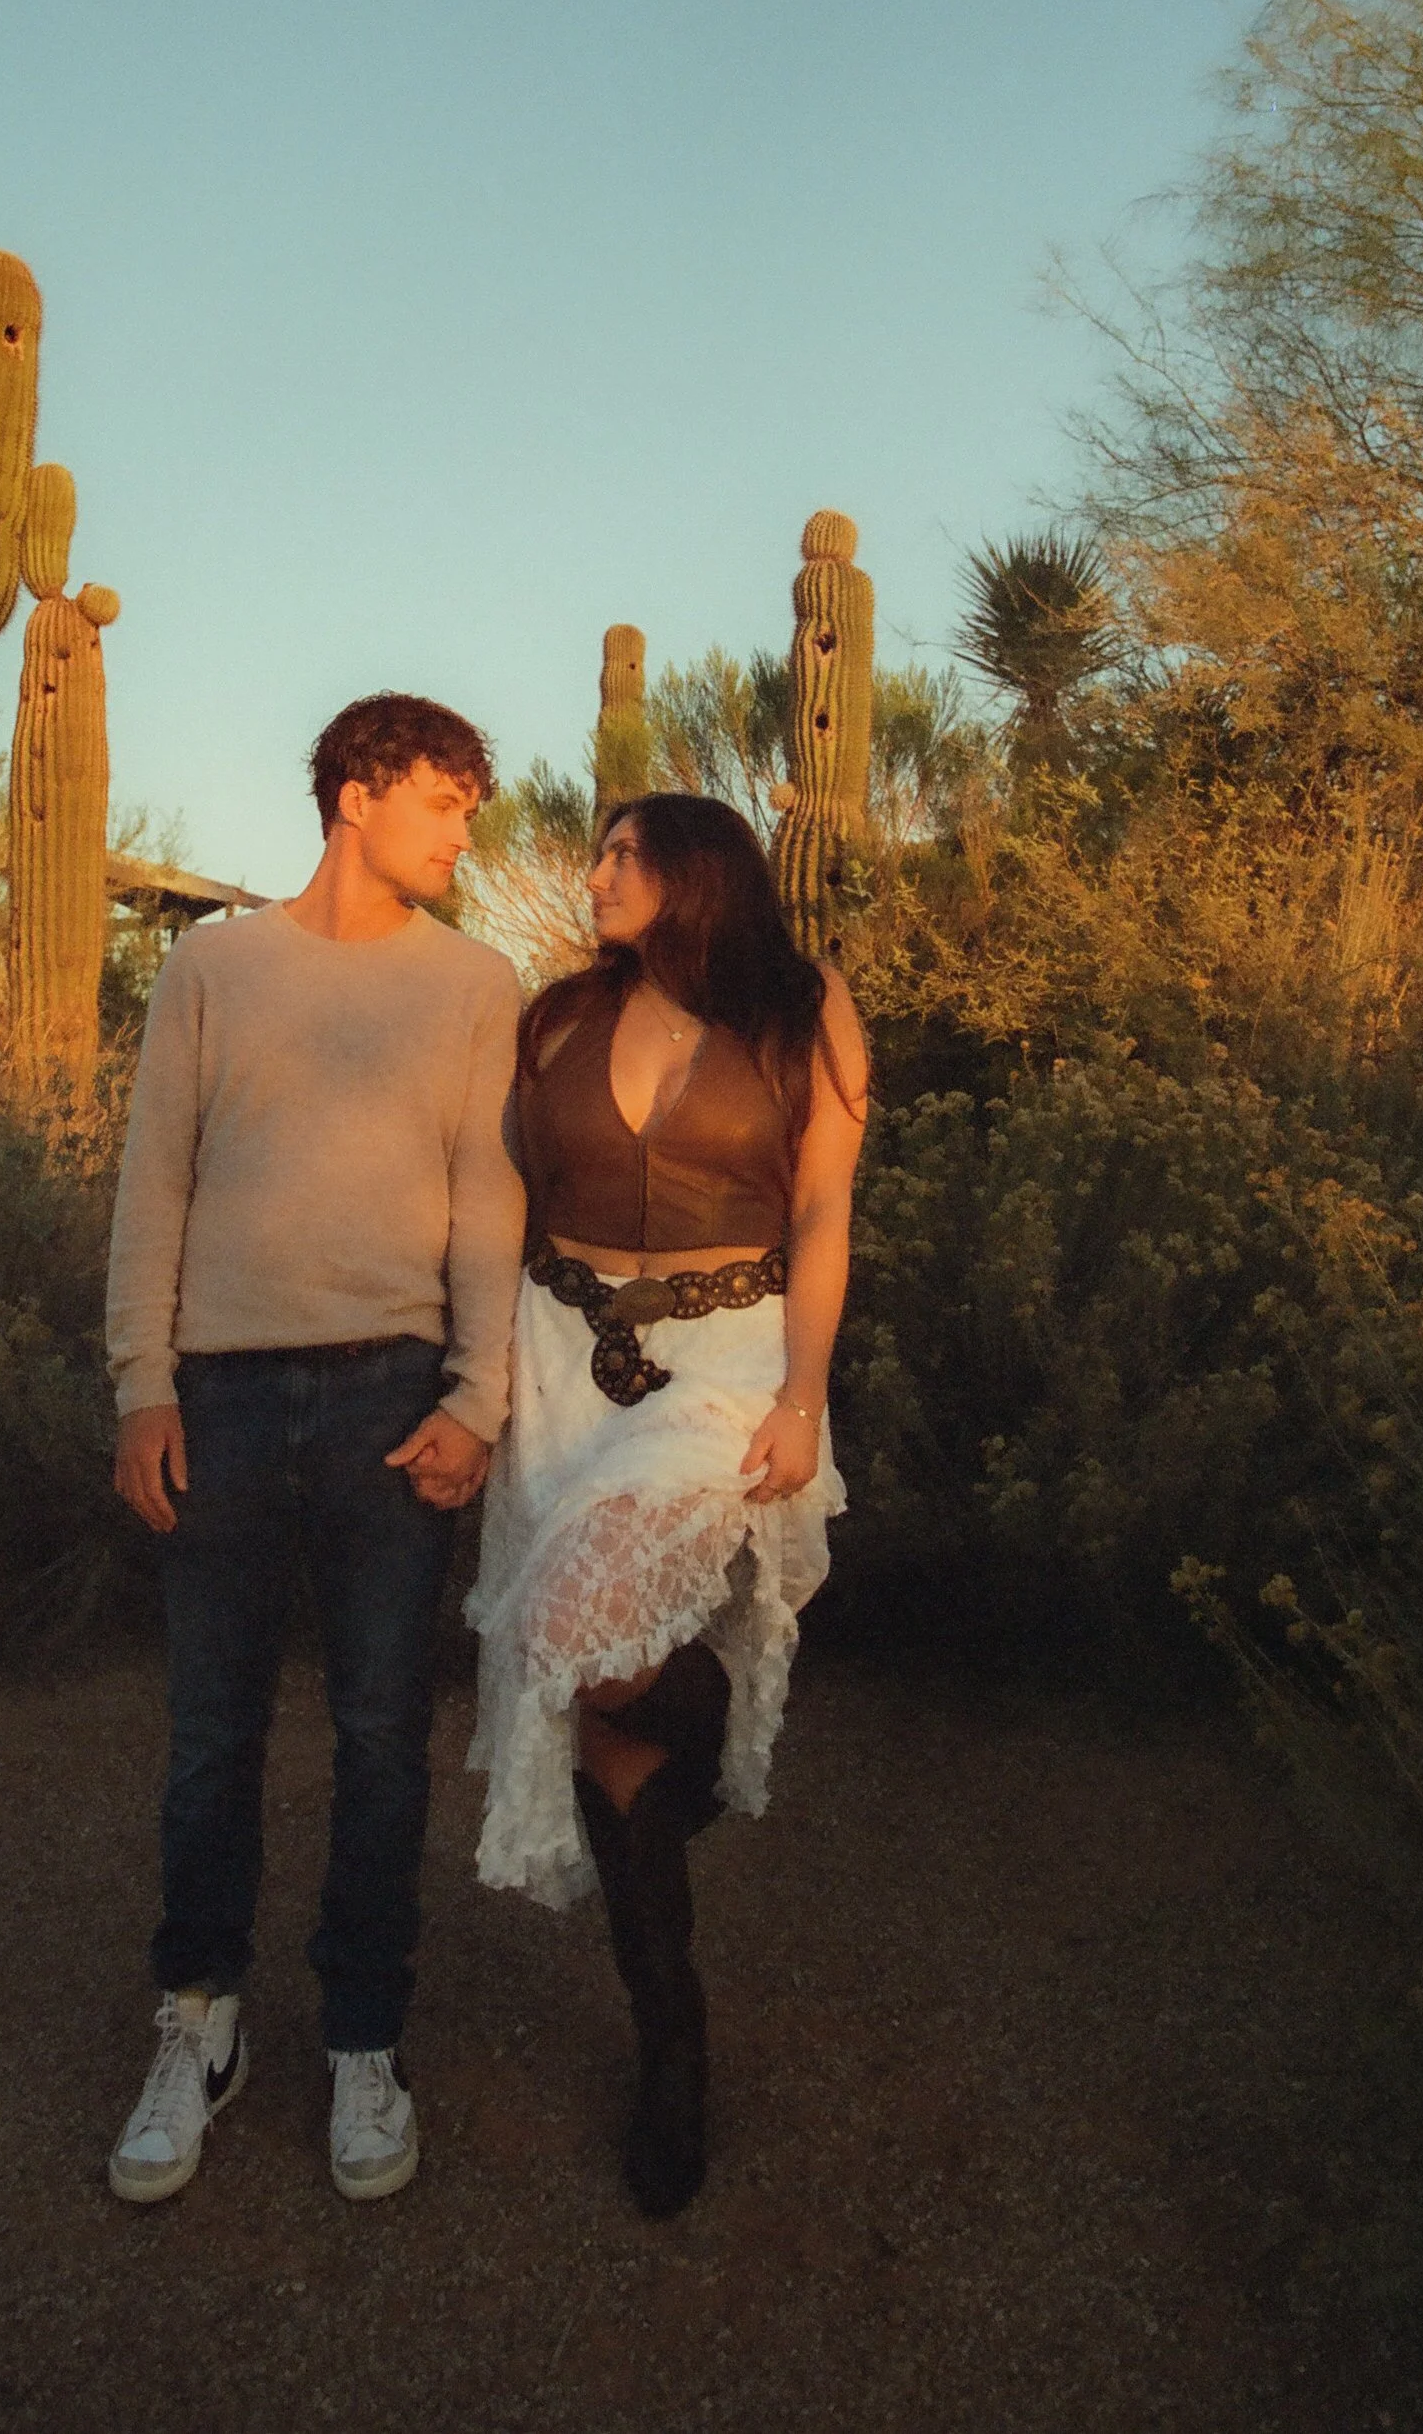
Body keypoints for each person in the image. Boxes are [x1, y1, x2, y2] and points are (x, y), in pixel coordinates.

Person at [105, 693, 525, 2208]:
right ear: (356, 795)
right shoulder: (212, 966)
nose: (459, 831)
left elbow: (490, 1204)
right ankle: (198, 2022)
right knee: (210, 1733)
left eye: (469, 808)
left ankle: (362, 2034)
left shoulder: (479, 985)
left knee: (377, 1735)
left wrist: (479, 1399)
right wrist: (140, 1385)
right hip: (216, 1393)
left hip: (389, 1396)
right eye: (441, 803)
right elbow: (153, 1183)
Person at [466, 791, 866, 2218]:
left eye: (621, 853)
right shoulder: (555, 1019)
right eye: (595, 851)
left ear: (695, 871)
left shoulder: (801, 1009)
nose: (592, 873)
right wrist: (471, 1378)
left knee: (591, 1636)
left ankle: (695, 1763)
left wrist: (803, 1392)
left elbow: (820, 1211)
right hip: (561, 1369)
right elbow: (487, 1201)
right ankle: (670, 2042)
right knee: (595, 1708)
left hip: (726, 1367)